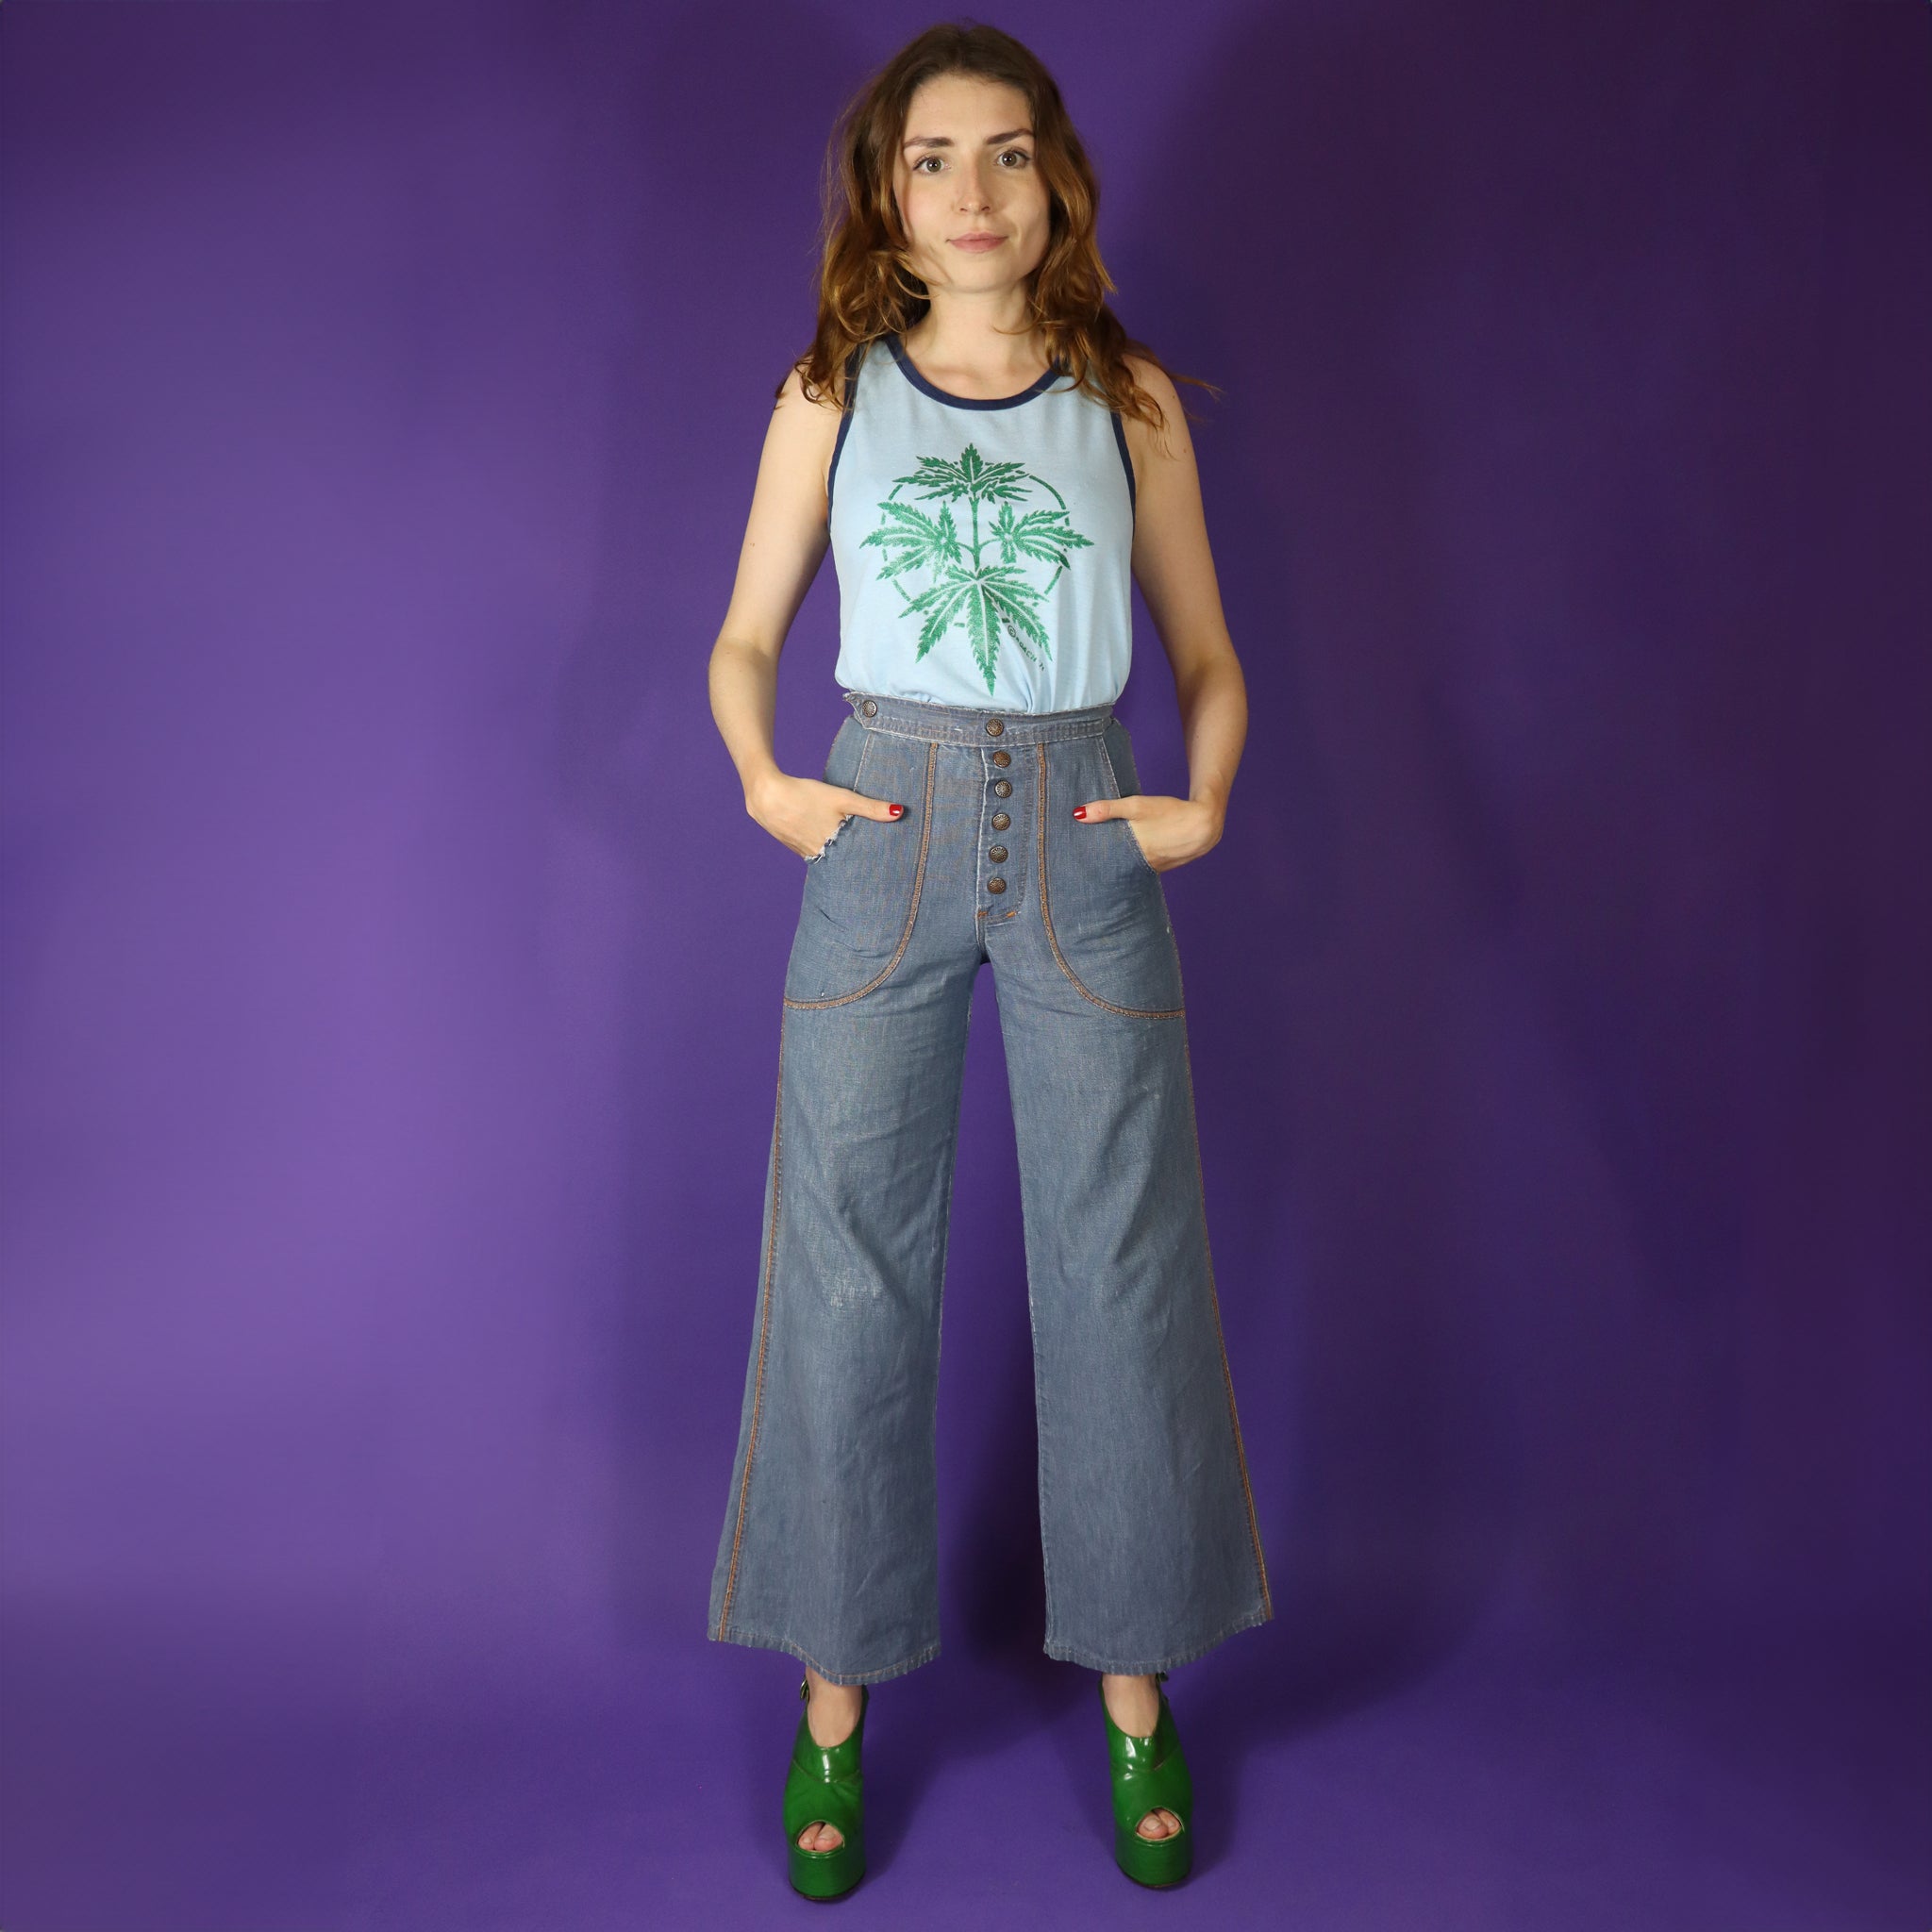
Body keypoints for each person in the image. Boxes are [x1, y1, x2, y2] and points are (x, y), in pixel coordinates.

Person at [705, 22, 1272, 1901]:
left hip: (1083, 831)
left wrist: (1204, 799)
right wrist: (767, 782)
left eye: (1009, 153)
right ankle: (832, 1705)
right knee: (846, 1264)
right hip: (883, 827)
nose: (972, 191)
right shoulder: (830, 391)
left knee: (1123, 1263)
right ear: (886, 192)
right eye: (933, 158)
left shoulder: (1128, 397)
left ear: (1056, 184)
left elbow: (1208, 655)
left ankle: (1137, 1698)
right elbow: (741, 639)